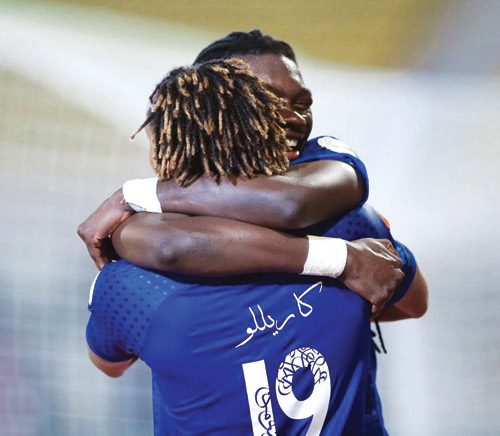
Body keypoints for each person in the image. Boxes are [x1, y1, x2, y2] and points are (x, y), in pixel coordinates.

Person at [85, 58, 427, 435]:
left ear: (163, 149)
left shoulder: (127, 284)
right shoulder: (350, 229)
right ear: (265, 134)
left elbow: (109, 363)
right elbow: (414, 301)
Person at [78, 30, 410, 315]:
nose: (294, 118)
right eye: (267, 101)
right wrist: (341, 260)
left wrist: (135, 195)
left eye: (302, 104)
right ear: (211, 110)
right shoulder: (159, 218)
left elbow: (288, 204)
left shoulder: (326, 160)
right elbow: (168, 246)